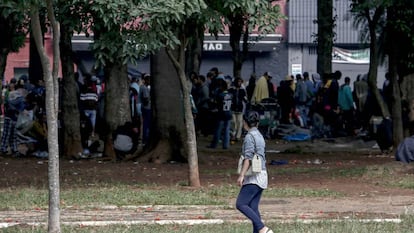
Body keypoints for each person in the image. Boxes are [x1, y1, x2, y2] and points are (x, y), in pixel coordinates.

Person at [236, 110, 273, 233]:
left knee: (241, 204)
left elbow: (248, 157)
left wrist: (241, 175)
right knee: (253, 207)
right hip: (262, 173)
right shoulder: (259, 135)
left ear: (245, 122)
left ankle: (263, 228)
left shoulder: (249, 137)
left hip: (254, 176)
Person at [229, 77, 247, 142]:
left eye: (240, 82)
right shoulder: (231, 89)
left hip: (240, 109)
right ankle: (233, 134)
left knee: (239, 122)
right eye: (238, 81)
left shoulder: (242, 90)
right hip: (233, 108)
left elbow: (245, 99)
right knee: (233, 122)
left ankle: (238, 136)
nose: (239, 83)